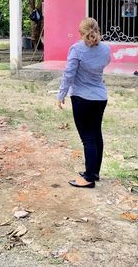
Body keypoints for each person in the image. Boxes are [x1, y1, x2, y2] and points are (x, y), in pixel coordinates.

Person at [57, 17, 111, 188]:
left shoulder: (77, 49)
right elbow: (105, 63)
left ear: (81, 32)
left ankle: (89, 179)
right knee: (96, 134)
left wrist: (61, 94)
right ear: (97, 29)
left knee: (87, 138)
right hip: (100, 97)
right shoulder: (106, 49)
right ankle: (94, 172)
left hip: (82, 98)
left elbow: (69, 74)